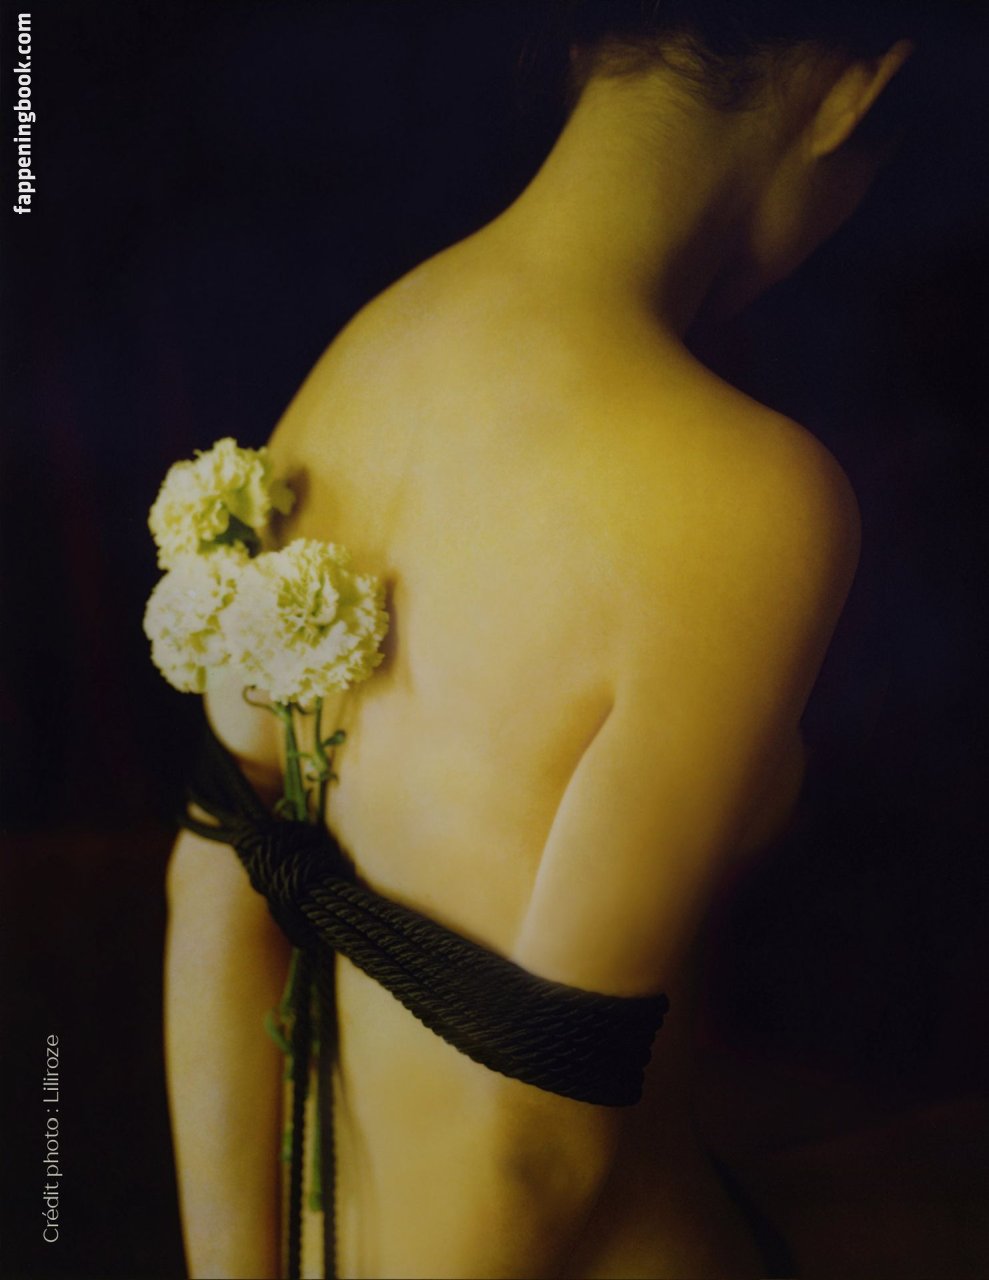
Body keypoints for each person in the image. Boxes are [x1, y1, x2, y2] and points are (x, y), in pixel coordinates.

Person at [164, 2, 929, 1276]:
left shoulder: (363, 357)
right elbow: (537, 1139)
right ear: (854, 90)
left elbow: (212, 893)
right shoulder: (750, 498)